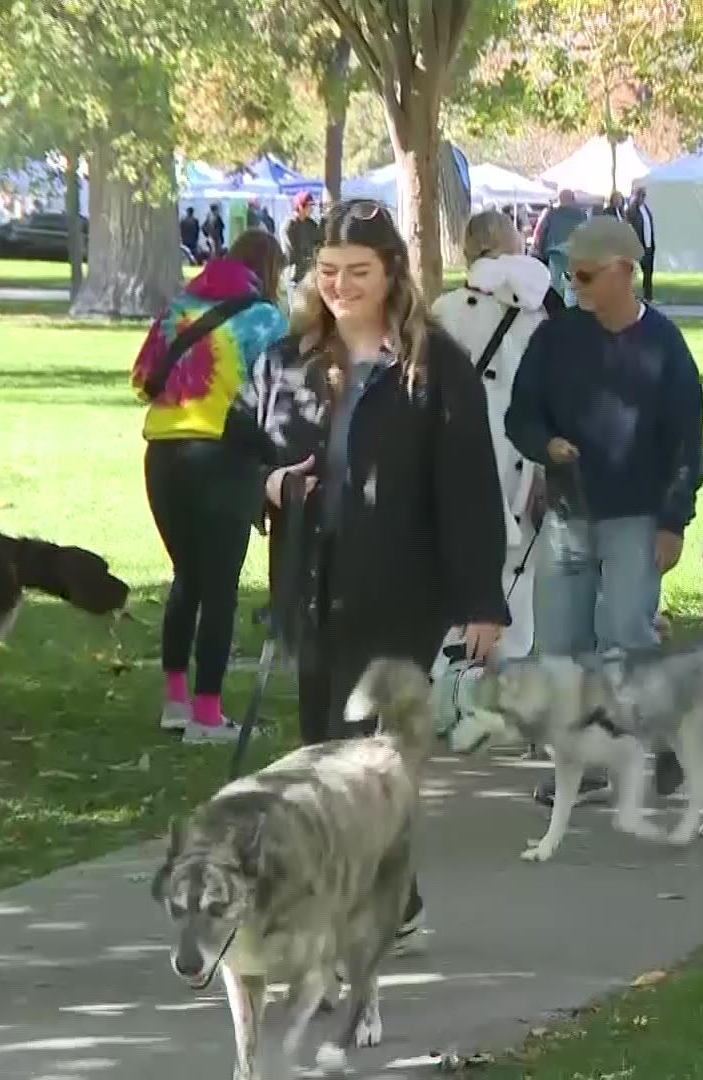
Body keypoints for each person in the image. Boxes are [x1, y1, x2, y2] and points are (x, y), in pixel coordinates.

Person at [223, 198, 508, 951]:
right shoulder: (282, 363)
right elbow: (234, 456)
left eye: (358, 272)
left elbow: (471, 487)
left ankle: (365, 908)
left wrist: (483, 598)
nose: (341, 286)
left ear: (392, 276)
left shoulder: (434, 367)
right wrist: (275, 485)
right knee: (322, 750)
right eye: (327, 272)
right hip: (310, 585)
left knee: (365, 758)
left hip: (401, 594)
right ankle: (392, 899)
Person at [506, 216, 703, 807]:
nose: (576, 284)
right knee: (562, 648)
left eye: (587, 274)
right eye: (570, 273)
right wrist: (546, 446)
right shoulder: (556, 339)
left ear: (625, 271)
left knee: (624, 637)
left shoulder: (664, 346)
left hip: (636, 516)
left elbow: (685, 442)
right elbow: (521, 415)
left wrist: (674, 519)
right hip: (570, 514)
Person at [131, 229, 290, 743]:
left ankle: (175, 702)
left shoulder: (179, 307)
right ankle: (207, 714)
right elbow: (280, 392)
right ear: (268, 270)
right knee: (220, 588)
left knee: (187, 579)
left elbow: (141, 380)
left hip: (161, 454)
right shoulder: (265, 318)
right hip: (223, 456)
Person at [430, 210, 557, 663]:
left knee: (460, 558)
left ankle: (454, 673)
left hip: (461, 451)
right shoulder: (538, 313)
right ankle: (506, 672)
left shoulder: (444, 312)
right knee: (518, 567)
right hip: (520, 452)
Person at [625, 184, 656, 303]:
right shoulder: (632, 210)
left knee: (648, 272)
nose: (642, 197)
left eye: (644, 195)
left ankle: (648, 296)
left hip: (649, 245)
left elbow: (649, 226)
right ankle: (629, 296)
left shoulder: (646, 209)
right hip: (638, 245)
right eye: (640, 195)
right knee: (633, 272)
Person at [284, 192, 321, 287]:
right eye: (310, 205)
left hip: (311, 274)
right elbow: (290, 253)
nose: (312, 209)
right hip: (295, 277)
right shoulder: (289, 225)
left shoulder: (311, 225)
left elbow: (318, 245)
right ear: (301, 207)